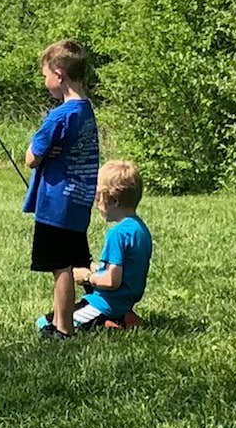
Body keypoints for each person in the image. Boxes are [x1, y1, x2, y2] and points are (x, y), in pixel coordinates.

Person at [22, 39, 102, 337]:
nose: (45, 82)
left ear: (59, 73)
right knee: (69, 263)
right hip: (78, 202)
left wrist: (38, 149)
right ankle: (65, 318)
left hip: (56, 204)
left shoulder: (60, 115)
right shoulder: (86, 110)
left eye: (45, 75)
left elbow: (32, 157)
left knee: (60, 267)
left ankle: (64, 328)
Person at [71, 159, 153, 330]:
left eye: (98, 197)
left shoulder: (117, 233)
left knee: (47, 324)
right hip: (125, 300)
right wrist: (93, 267)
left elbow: (111, 281)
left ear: (114, 200)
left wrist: (86, 277)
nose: (96, 204)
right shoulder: (140, 228)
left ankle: (114, 322)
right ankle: (123, 316)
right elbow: (123, 270)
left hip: (105, 304)